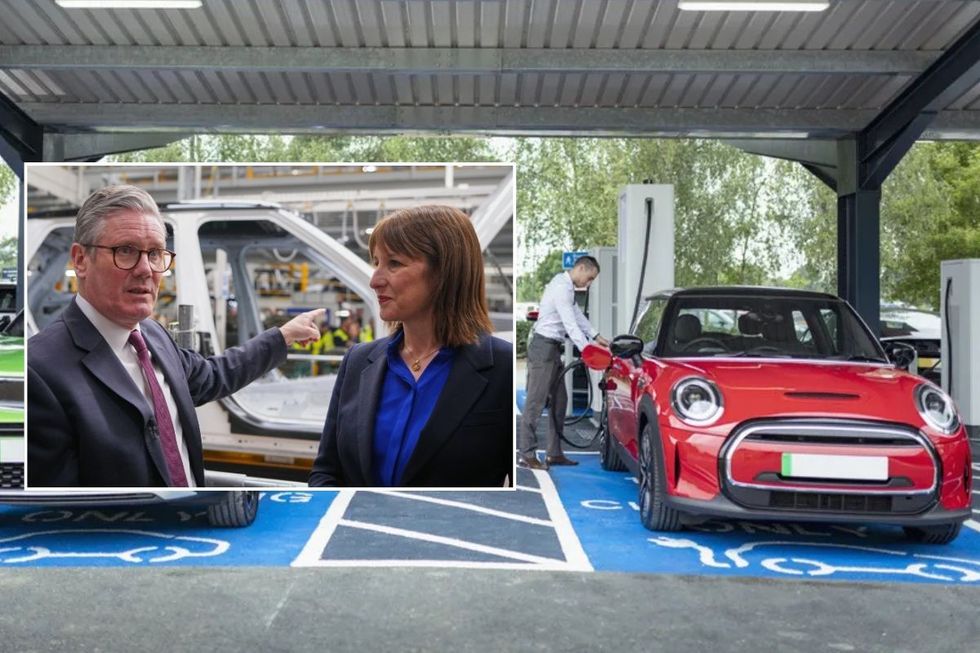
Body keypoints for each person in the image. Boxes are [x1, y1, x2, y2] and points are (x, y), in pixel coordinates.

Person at [27, 185, 323, 487]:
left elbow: (211, 375)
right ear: (80, 260)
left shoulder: (153, 336)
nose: (146, 269)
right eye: (125, 251)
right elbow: (56, 512)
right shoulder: (36, 371)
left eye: (155, 253)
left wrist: (282, 337)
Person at [309, 205, 513, 487]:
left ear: (445, 272)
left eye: (394, 263)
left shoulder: (503, 370)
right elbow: (326, 471)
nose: (375, 280)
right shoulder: (357, 362)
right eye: (376, 262)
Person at [519, 255, 609, 470]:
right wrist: (587, 349)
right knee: (535, 402)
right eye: (589, 278)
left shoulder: (568, 290)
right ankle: (527, 454)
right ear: (581, 268)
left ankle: (554, 453)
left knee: (560, 401)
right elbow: (569, 323)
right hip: (543, 348)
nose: (588, 284)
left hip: (553, 348)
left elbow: (577, 316)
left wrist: (596, 337)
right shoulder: (561, 287)